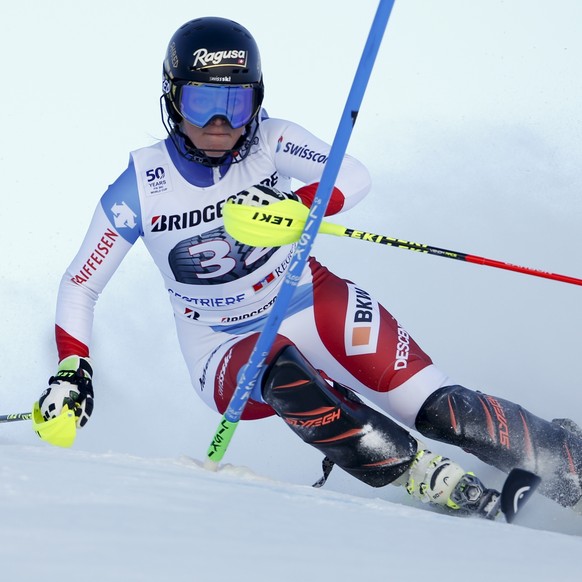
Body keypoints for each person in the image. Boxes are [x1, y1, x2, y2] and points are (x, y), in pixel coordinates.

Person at [35, 16, 582, 519]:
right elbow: (80, 284)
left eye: (238, 103)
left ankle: (565, 460)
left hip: (310, 298)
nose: (221, 123)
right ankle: (425, 477)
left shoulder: (272, 141)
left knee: (438, 409)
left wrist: (299, 208)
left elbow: (354, 173)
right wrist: (71, 369)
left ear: (258, 102)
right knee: (281, 370)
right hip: (222, 345)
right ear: (173, 102)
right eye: (203, 103)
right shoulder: (141, 186)